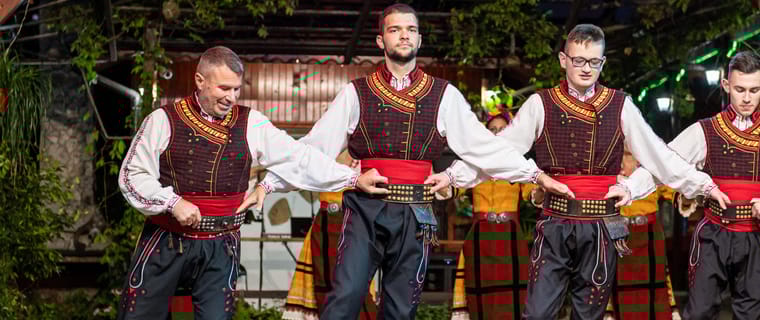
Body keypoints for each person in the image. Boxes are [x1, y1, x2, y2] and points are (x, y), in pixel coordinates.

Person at [257, 4, 572, 319]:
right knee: (346, 296)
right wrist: (270, 182)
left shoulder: (443, 95)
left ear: (419, 39)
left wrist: (534, 174)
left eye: (410, 30)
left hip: (416, 212)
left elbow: (483, 147)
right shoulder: (356, 93)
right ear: (381, 41)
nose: (403, 35)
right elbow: (315, 147)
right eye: (394, 30)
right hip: (366, 208)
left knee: (401, 309)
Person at [448, 24, 730, 320]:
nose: (586, 68)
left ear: (602, 62)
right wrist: (454, 176)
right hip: (556, 223)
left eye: (594, 62)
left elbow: (659, 156)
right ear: (563, 59)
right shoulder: (541, 104)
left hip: (601, 226)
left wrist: (703, 185)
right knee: (538, 313)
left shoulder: (621, 106)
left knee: (589, 316)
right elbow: (500, 150)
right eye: (579, 60)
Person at [116, 46, 386, 320]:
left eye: (236, 89)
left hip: (221, 245)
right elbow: (131, 175)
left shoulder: (250, 123)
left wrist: (352, 178)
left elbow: (299, 157)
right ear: (200, 81)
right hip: (167, 240)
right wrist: (173, 202)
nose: (231, 97)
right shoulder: (163, 120)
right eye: (224, 88)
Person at [628, 51, 760, 319]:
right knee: (698, 313)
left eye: (754, 90)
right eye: (739, 89)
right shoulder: (705, 130)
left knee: (749, 315)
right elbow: (662, 163)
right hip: (713, 235)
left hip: (758, 237)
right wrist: (630, 188)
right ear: (726, 85)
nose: (746, 98)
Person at [449, 110, 538, 320]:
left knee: (512, 296)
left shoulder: (520, 165)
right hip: (480, 238)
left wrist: (545, 186)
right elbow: (452, 188)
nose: (498, 134)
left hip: (510, 238)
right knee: (479, 293)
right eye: (493, 130)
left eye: (503, 130)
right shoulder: (473, 166)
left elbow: (534, 195)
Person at [282, 151, 378, 320]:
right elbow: (296, 162)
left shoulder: (369, 148)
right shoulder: (328, 143)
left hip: (357, 221)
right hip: (327, 222)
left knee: (354, 287)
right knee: (325, 285)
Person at [603, 147, 681, 320]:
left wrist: (689, 194)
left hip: (648, 228)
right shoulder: (607, 165)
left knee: (654, 282)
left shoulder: (650, 168)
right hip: (617, 226)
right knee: (617, 281)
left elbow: (673, 192)